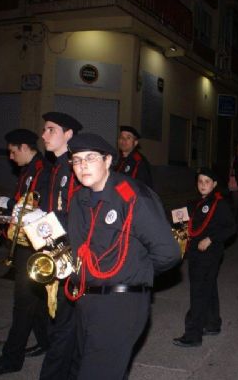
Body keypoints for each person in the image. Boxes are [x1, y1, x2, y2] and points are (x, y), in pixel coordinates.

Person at [63, 133, 180, 378]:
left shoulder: (132, 195)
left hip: (121, 303)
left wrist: (134, 273)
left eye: (91, 158)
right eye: (76, 160)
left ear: (107, 161)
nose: (82, 165)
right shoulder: (78, 199)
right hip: (86, 299)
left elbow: (168, 252)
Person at [0, 129, 51, 376]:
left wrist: (10, 205)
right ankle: (47, 342)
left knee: (23, 304)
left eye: (12, 151)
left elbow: (34, 207)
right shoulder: (30, 169)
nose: (10, 156)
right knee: (35, 301)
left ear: (24, 147)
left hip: (32, 245)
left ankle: (11, 359)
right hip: (25, 241)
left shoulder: (41, 170)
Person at [38, 112, 83, 380]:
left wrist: (44, 221)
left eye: (51, 130)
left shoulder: (72, 168)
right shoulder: (56, 167)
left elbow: (76, 215)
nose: (44, 135)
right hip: (58, 250)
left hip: (72, 254)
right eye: (44, 130)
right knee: (65, 325)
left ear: (68, 135)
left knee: (65, 326)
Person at [173, 167, 236, 347]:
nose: (203, 185)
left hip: (210, 254)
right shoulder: (194, 203)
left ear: (214, 184)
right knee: (209, 287)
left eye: (207, 182)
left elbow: (231, 227)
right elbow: (183, 222)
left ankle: (193, 334)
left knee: (198, 292)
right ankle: (213, 323)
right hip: (195, 253)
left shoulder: (219, 203)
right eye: (200, 181)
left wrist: (211, 238)